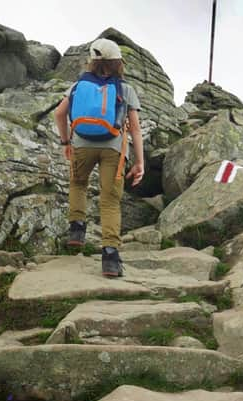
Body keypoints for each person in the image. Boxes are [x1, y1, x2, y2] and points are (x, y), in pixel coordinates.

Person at [53, 38, 145, 277]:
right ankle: (111, 258)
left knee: (78, 183)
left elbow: (59, 113)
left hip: (82, 144)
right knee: (110, 201)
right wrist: (139, 162)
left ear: (92, 61)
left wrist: (65, 141)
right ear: (118, 63)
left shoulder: (77, 86)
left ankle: (76, 229)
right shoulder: (125, 89)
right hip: (113, 148)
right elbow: (135, 129)